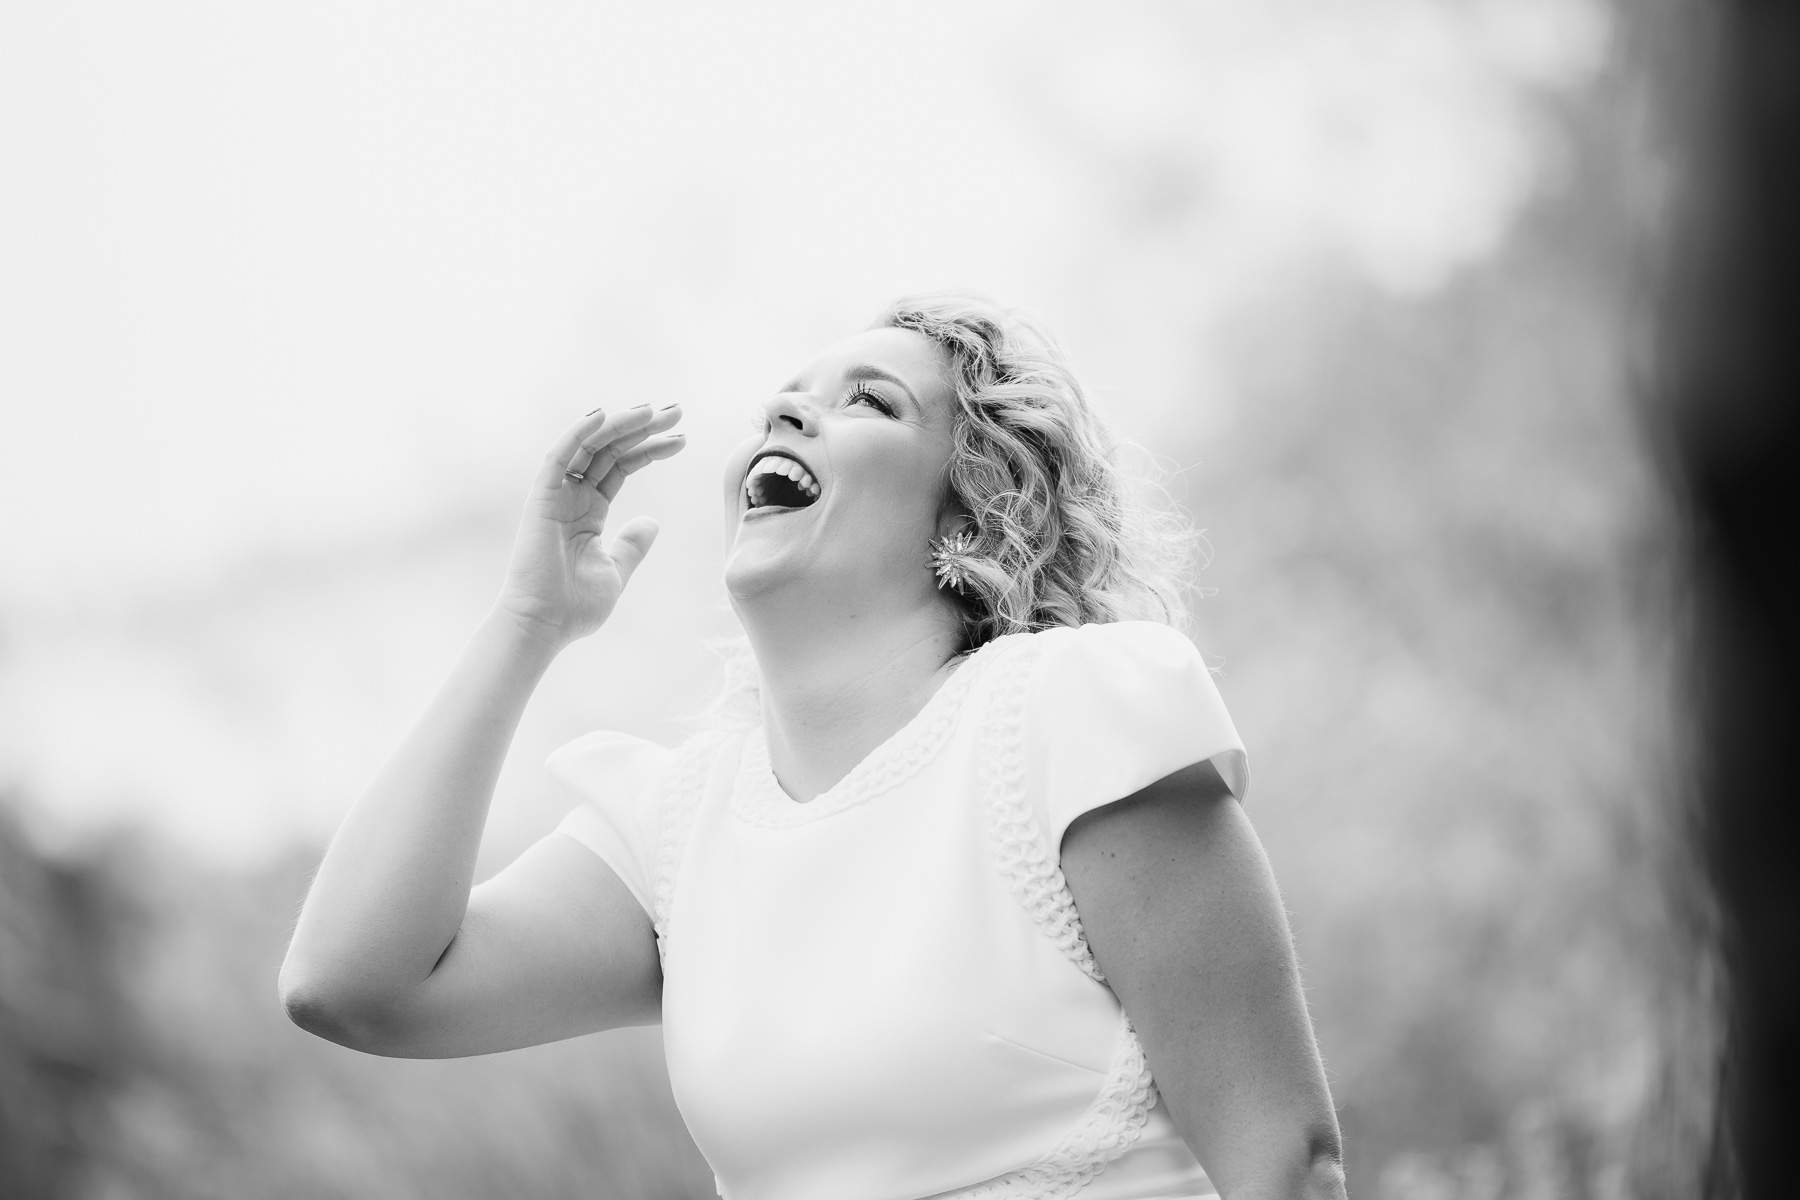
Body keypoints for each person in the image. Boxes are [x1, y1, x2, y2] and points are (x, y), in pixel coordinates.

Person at [280, 293, 1347, 1200]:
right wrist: (527, 622)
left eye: (870, 402)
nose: (791, 408)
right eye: (788, 396)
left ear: (973, 512)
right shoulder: (678, 823)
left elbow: (1283, 1163)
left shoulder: (1068, 715)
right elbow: (353, 985)